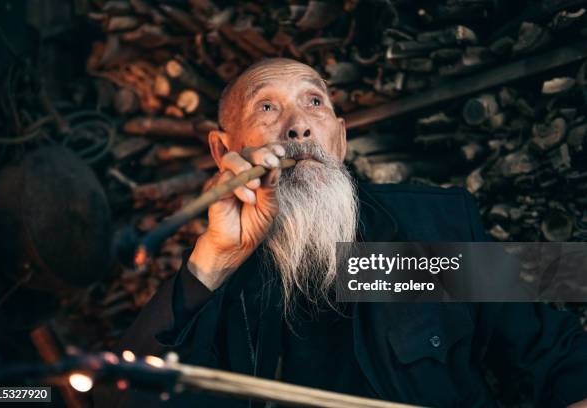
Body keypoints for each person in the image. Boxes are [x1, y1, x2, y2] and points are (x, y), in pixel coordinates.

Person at [94, 58, 587, 408]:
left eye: (314, 102)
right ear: (224, 149)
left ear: (340, 137)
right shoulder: (216, 282)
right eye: (266, 108)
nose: (297, 127)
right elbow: (118, 396)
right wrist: (213, 260)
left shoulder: (428, 226)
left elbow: (555, 347)